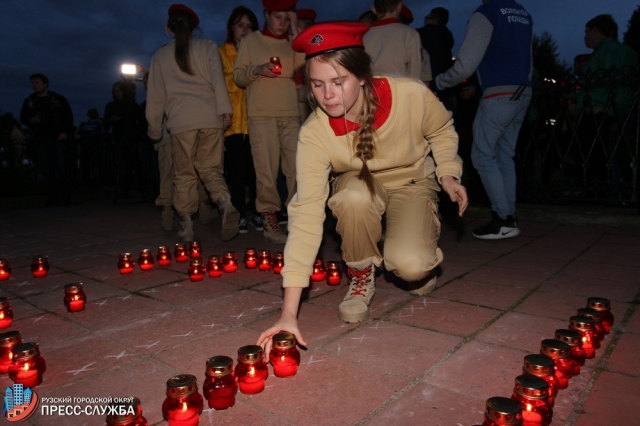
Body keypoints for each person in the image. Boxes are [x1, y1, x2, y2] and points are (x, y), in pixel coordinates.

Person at [257, 22, 468, 353]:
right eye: (317, 84)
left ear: (361, 77)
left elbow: (442, 130)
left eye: (338, 82)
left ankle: (414, 260)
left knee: (410, 266)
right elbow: (306, 215)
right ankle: (360, 274)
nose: (327, 95)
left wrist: (447, 174)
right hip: (359, 184)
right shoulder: (314, 133)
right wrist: (287, 314)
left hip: (411, 180)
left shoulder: (409, 94)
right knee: (352, 196)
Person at [435, 0, 533, 240]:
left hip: (498, 93)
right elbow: (529, 57)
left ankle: (502, 219)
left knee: (482, 155)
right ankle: (509, 216)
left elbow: (466, 64)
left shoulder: (486, 13)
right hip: (522, 90)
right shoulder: (522, 13)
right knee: (503, 156)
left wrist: (439, 82)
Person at [146, 3, 237, 242]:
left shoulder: (160, 56)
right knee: (210, 169)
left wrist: (154, 128)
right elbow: (218, 81)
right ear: (194, 27)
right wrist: (225, 112)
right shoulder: (207, 47)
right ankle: (224, 202)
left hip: (180, 121)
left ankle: (186, 227)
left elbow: (155, 97)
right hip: (210, 118)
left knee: (183, 174)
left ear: (169, 28)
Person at [233, 0, 305, 244]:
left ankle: (297, 218)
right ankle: (269, 219)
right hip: (261, 114)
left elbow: (303, 69)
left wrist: (296, 34)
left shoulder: (292, 42)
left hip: (290, 113)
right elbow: (239, 77)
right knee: (266, 170)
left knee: (297, 169)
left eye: (287, 18)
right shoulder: (251, 40)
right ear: (266, 14)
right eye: (278, 17)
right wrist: (258, 69)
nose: (282, 23)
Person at [219, 6, 263, 234]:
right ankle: (238, 214)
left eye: (249, 26)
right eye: (240, 25)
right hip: (233, 122)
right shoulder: (221, 52)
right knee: (236, 171)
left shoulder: (259, 53)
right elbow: (220, 85)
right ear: (231, 27)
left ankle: (258, 213)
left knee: (258, 171)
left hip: (257, 120)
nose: (245, 30)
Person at [19, 73, 74, 206]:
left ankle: (66, 198)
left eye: (37, 82)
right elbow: (23, 118)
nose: (34, 85)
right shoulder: (30, 101)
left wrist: (65, 132)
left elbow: (68, 117)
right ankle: (52, 198)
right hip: (41, 139)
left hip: (57, 138)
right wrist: (30, 120)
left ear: (45, 84)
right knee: (47, 169)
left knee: (62, 168)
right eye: (33, 83)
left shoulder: (58, 99)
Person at [363, 0, 422, 79]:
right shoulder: (410, 34)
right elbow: (415, 74)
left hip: (370, 89)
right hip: (400, 90)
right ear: (399, 6)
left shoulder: (363, 36)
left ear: (374, 9)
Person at [417, 7, 454, 93]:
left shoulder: (428, 33)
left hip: (432, 83)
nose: (424, 20)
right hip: (445, 85)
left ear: (434, 21)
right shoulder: (446, 36)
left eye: (427, 17)